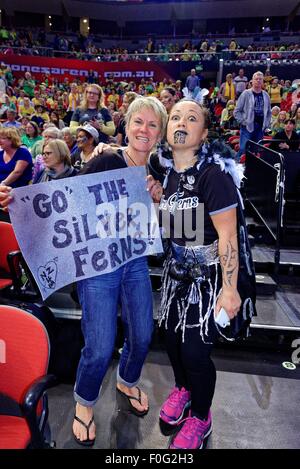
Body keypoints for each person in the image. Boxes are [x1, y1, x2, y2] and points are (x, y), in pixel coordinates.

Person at [149, 98, 255, 449]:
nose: (181, 122)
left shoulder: (214, 175)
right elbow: (182, 226)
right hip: (175, 276)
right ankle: (182, 390)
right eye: (175, 116)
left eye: (191, 118)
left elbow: (227, 237)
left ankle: (201, 416)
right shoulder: (167, 171)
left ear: (204, 133)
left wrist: (229, 289)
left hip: (207, 281)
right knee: (174, 346)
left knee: (195, 353)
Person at [234, 71, 271, 159]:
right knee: (243, 149)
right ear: (252, 81)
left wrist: (267, 124)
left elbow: (269, 112)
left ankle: (252, 170)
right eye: (256, 79)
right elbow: (236, 111)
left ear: (263, 82)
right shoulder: (246, 93)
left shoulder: (266, 95)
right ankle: (237, 168)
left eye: (260, 79)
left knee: (256, 151)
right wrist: (243, 122)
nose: (258, 81)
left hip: (260, 127)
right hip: (247, 126)